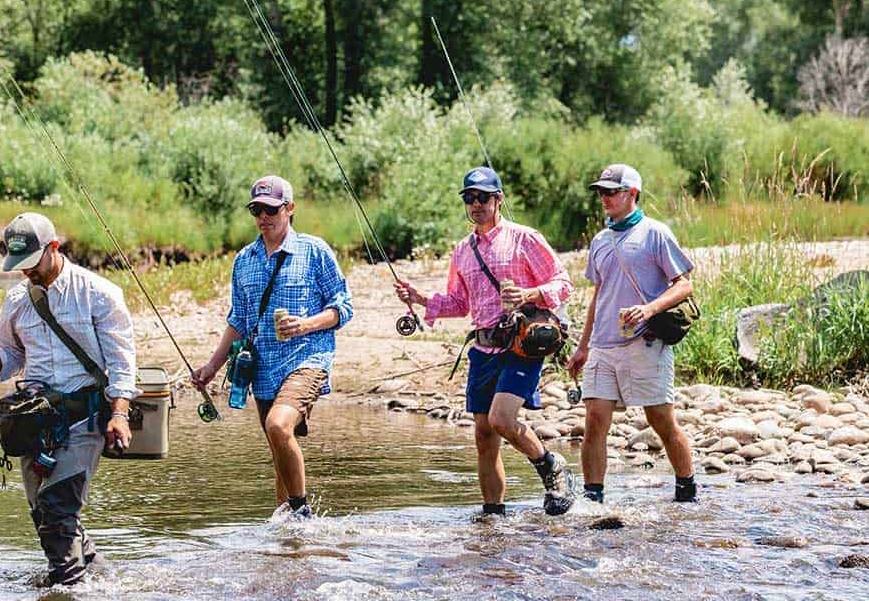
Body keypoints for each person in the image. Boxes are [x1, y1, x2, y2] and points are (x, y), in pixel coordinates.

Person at [0, 212, 139, 585]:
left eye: (31, 263)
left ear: (53, 248)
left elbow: (123, 364)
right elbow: (10, 358)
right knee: (45, 514)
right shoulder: (17, 300)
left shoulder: (99, 294)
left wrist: (119, 414)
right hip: (34, 421)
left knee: (57, 509)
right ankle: (106, 580)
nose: (26, 273)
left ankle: (69, 589)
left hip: (84, 418)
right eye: (18, 265)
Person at [394, 166, 576, 517]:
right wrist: (419, 298)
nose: (475, 204)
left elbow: (563, 284)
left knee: (501, 419)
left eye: (482, 197)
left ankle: (552, 466)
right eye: (469, 198)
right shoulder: (462, 251)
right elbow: (459, 304)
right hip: (482, 348)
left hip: (521, 345)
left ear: (499, 199)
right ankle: (493, 516)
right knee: (483, 436)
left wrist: (529, 293)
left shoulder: (525, 238)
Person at [191, 175, 353, 520]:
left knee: (279, 426)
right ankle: (286, 536)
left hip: (308, 358)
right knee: (279, 451)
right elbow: (238, 320)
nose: (263, 217)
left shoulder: (315, 250)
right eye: (256, 210)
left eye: (270, 209)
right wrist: (211, 367)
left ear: (289, 209)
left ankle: (302, 514)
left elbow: (344, 307)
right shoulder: (244, 260)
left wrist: (305, 324)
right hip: (262, 368)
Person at [566, 164, 698, 504]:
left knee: (660, 422)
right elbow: (599, 294)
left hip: (645, 343)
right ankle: (592, 499)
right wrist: (582, 347)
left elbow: (684, 284)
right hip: (603, 347)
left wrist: (650, 309)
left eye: (611, 191)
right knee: (595, 420)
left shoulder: (656, 233)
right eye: (601, 192)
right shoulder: (599, 240)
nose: (604, 198)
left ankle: (686, 490)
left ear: (632, 194)